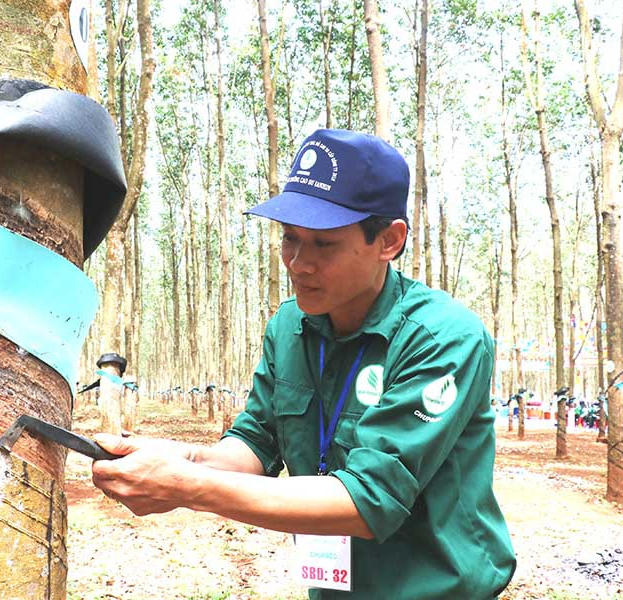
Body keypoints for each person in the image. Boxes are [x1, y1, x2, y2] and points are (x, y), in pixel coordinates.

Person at [91, 128, 516, 598]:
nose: (297, 262)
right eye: (289, 239)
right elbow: (255, 444)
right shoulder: (290, 327)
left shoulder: (442, 338)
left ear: (389, 240)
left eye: (323, 244)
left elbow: (369, 500)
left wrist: (187, 486)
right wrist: (181, 457)